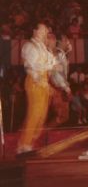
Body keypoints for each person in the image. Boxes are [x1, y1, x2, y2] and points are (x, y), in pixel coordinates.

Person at [17, 23, 56, 156]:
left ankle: (29, 143)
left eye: (46, 30)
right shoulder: (30, 46)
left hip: (43, 82)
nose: (45, 32)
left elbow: (52, 65)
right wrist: (39, 79)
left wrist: (47, 83)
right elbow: (30, 66)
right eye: (42, 29)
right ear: (34, 31)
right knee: (35, 113)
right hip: (35, 81)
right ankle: (23, 145)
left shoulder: (43, 48)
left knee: (41, 115)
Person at [49, 34, 72, 126]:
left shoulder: (61, 54)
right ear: (60, 42)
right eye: (66, 40)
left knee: (63, 116)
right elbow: (57, 75)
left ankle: (44, 133)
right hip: (58, 89)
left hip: (59, 88)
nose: (68, 42)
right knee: (62, 116)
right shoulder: (58, 55)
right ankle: (43, 132)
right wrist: (66, 89)